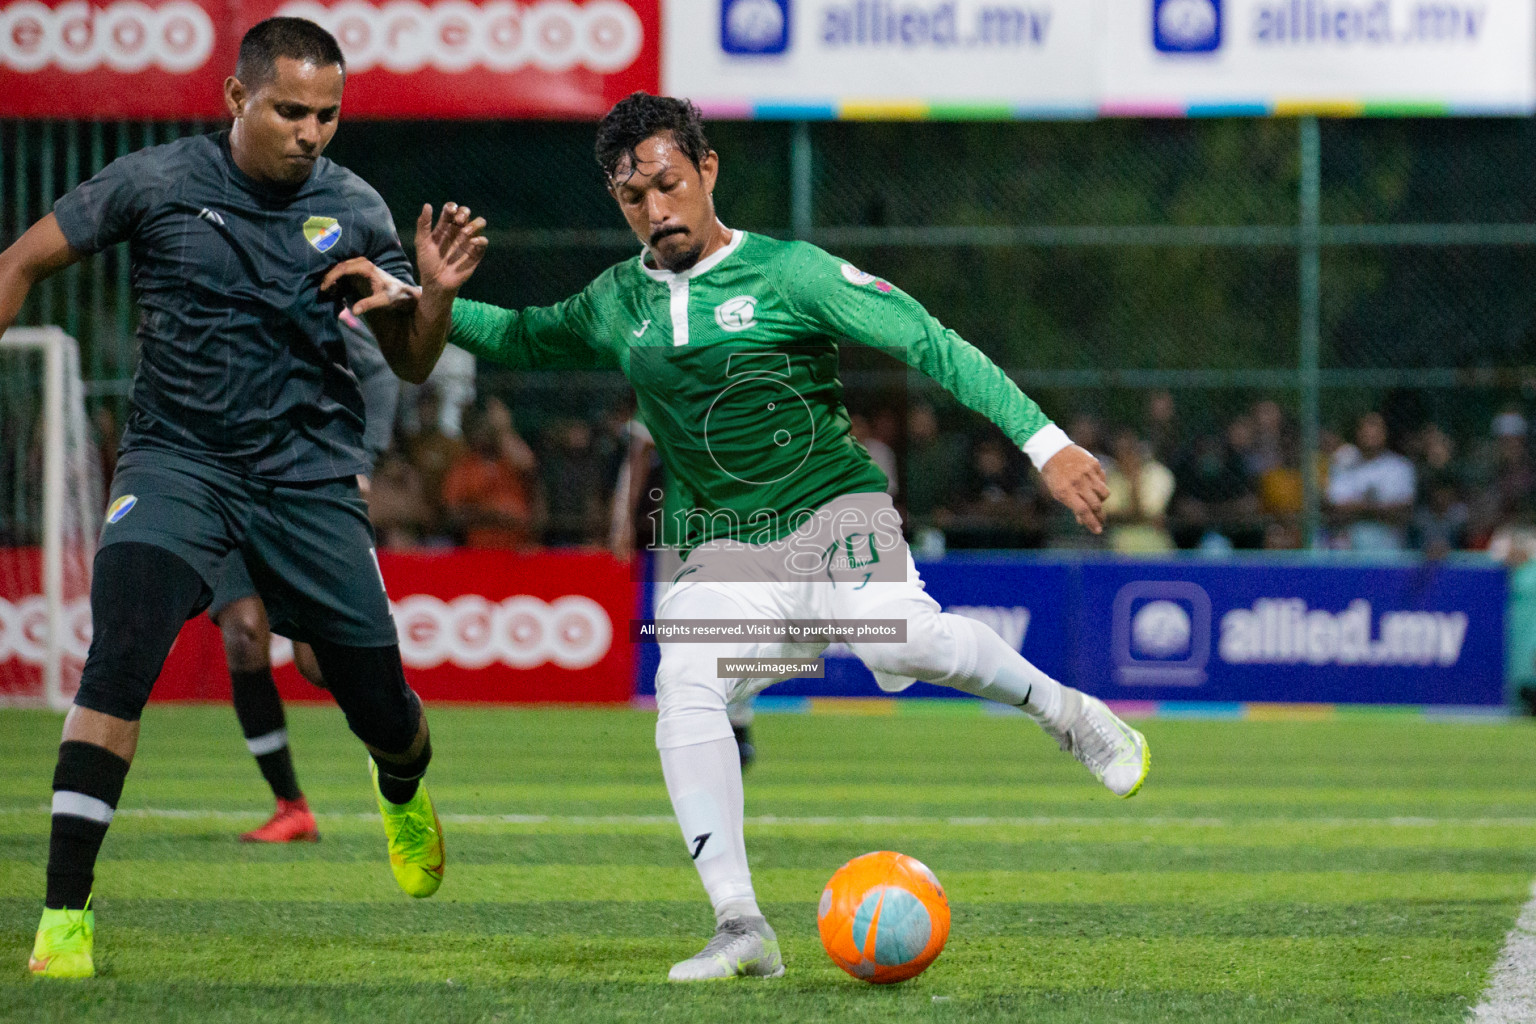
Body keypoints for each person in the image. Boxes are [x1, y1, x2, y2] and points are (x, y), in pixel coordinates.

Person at [337, 92, 1148, 983]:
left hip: (835, 515)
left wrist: (1048, 444)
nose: (656, 210)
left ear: (707, 169)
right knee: (685, 677)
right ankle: (741, 926)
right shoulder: (620, 300)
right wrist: (422, 297)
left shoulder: (790, 274)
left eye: (670, 184)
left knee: (910, 639)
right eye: (633, 198)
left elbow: (927, 339)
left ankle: (1069, 715)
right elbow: (525, 337)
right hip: (722, 546)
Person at [0, 18, 486, 978]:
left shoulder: (356, 207)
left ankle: (400, 786)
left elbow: (414, 363)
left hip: (309, 481)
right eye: (292, 110)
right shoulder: (154, 182)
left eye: (329, 115)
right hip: (177, 468)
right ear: (237, 99)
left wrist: (425, 300)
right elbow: (20, 261)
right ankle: (63, 920)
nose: (313, 132)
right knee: (120, 657)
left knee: (383, 712)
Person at [214, 310, 399, 844]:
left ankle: (396, 754)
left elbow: (381, 372)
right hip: (223, 486)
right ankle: (290, 806)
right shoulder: (196, 287)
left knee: (319, 664)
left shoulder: (298, 286)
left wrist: (366, 459)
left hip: (304, 490)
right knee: (245, 634)